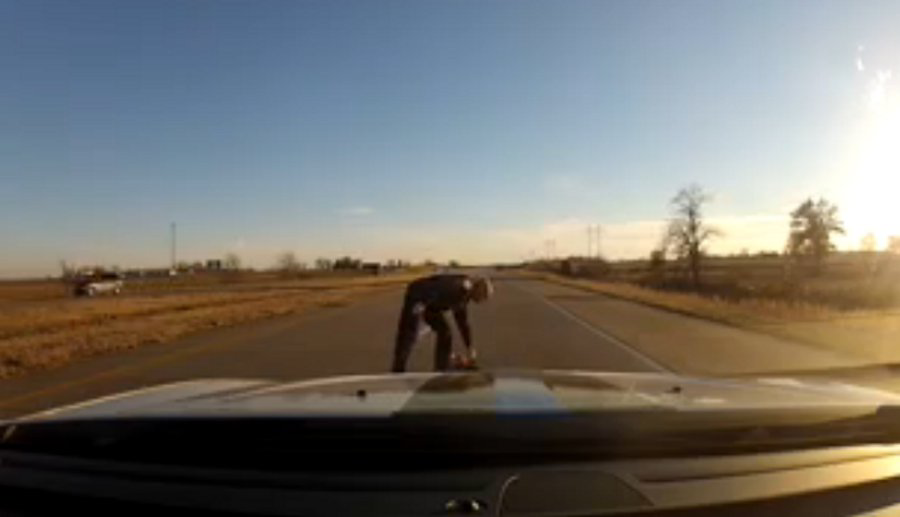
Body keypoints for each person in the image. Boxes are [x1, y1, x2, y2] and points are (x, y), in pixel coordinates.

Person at [391, 273, 493, 373]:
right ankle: (398, 370)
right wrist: (421, 305)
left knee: (445, 332)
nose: (481, 301)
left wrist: (469, 346)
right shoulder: (459, 286)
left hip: (433, 304)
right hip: (419, 296)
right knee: (409, 333)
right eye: (483, 297)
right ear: (478, 290)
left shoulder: (465, 296)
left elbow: (462, 323)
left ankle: (441, 366)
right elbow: (438, 287)